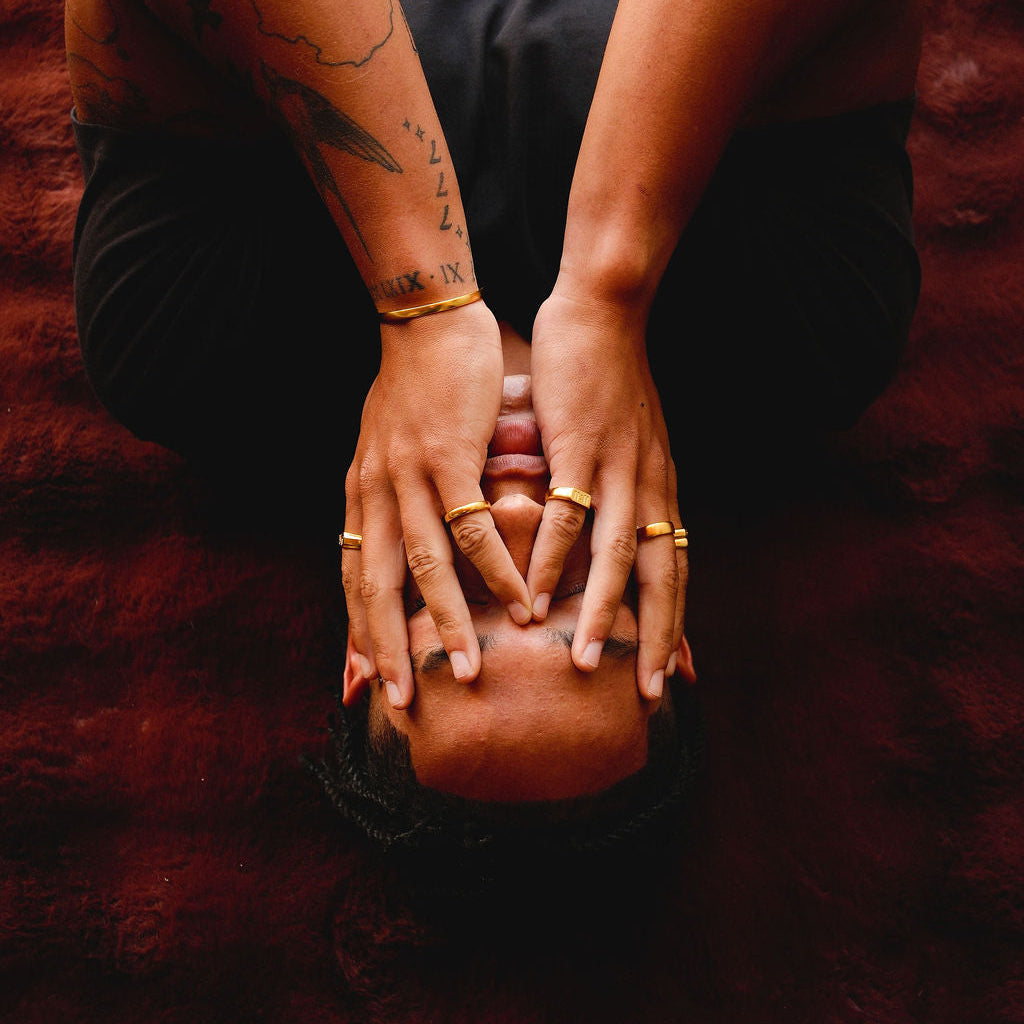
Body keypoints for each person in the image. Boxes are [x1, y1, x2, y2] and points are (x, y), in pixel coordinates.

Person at [66, 0, 922, 827]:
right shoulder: (802, 340)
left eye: (461, 587)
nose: (515, 516)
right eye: (581, 586)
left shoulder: (193, 355)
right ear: (674, 640)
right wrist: (606, 286)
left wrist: (423, 300)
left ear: (365, 651)